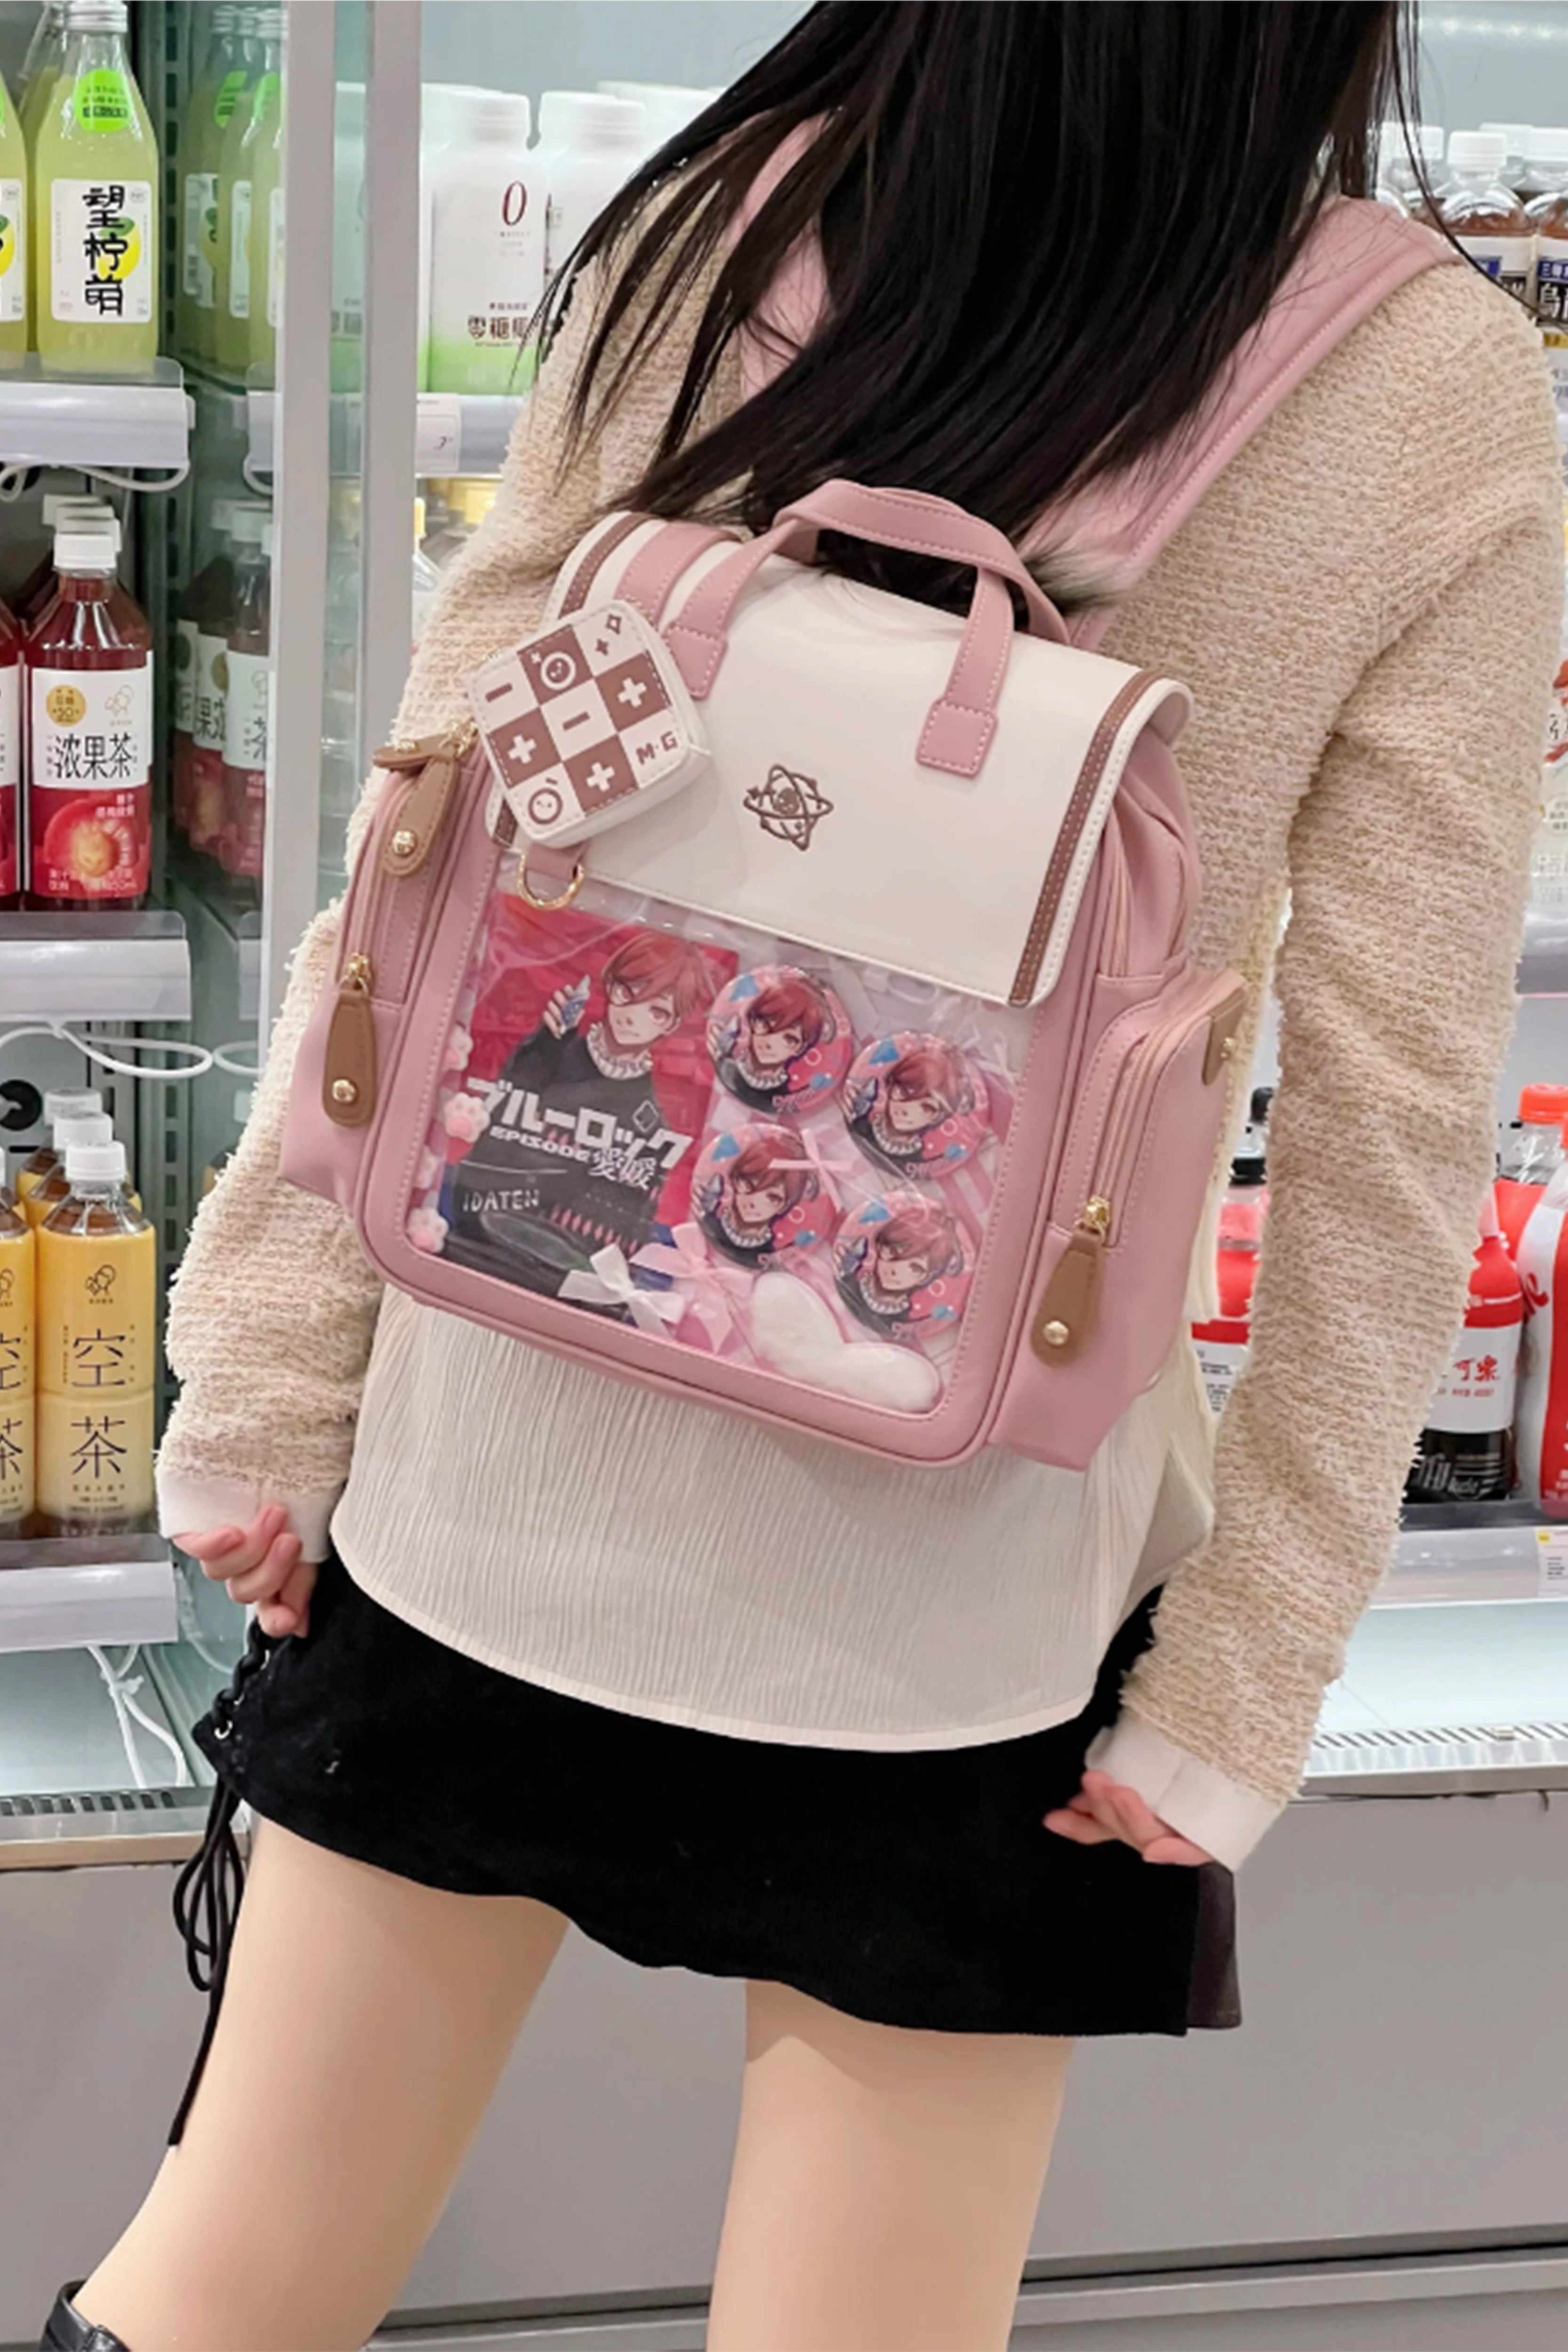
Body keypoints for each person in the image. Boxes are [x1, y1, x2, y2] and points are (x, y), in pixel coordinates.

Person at [52, 6, 1560, 2349]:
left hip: (492, 1467)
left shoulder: (723, 209)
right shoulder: (1427, 389)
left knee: (228, 2281)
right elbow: (1391, 1114)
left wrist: (264, 1369)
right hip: (962, 1606)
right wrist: (1244, 1679)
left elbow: (435, 828)